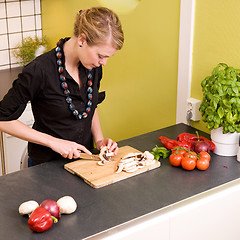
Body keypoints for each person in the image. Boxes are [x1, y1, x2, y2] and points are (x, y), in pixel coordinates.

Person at [0, 7, 124, 166]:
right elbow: (2, 119)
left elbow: (91, 106)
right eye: (101, 56)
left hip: (83, 164)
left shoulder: (93, 67)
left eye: (107, 57)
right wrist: (54, 142)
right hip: (46, 168)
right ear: (82, 40)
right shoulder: (39, 70)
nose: (104, 63)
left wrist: (99, 140)